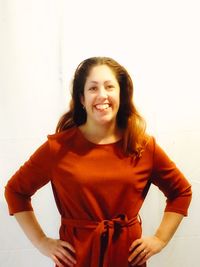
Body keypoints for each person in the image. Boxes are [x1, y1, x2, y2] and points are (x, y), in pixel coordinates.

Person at [5, 56, 192, 267]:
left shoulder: (142, 146)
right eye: (93, 88)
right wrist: (41, 242)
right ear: (82, 99)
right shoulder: (58, 148)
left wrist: (160, 239)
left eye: (110, 87)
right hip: (77, 259)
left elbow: (181, 191)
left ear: (121, 94)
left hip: (126, 258)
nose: (102, 95)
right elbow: (16, 191)